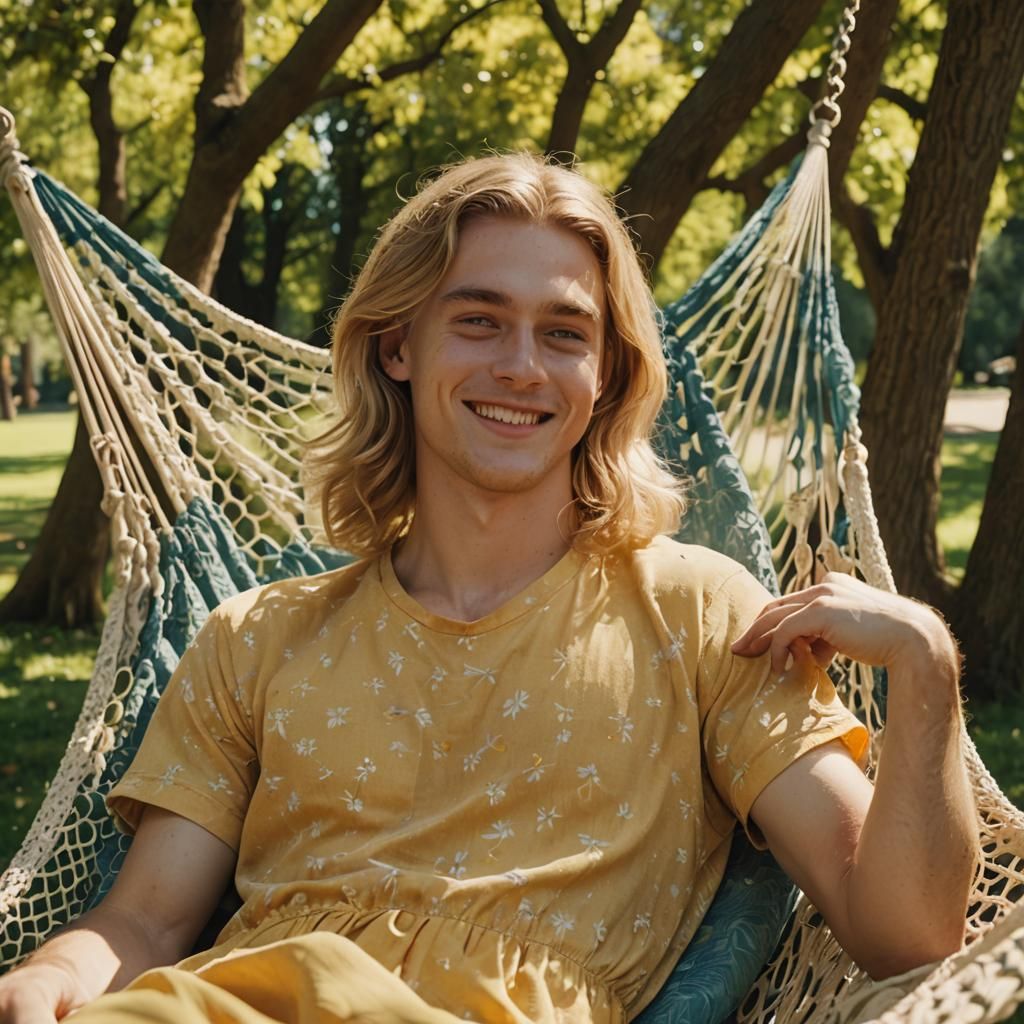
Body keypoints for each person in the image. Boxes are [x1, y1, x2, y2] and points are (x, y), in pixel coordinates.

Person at [0, 153, 978, 1024]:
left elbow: (903, 932)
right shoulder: (253, 637)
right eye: (478, 320)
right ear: (397, 345)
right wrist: (51, 972)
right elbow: (145, 921)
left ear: (606, 373)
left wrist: (927, 669)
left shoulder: (703, 616)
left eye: (565, 333)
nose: (520, 367)